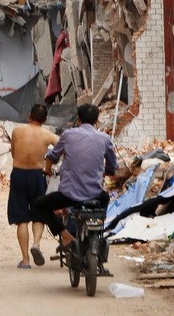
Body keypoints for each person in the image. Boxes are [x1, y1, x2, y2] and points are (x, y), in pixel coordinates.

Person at [31, 103, 117, 249]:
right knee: (105, 198)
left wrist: (48, 170)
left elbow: (52, 156)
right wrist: (107, 171)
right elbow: (112, 166)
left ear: (78, 119)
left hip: (69, 195)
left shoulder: (68, 135)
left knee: (38, 206)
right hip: (94, 194)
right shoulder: (104, 139)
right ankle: (98, 230)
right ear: (96, 121)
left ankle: (66, 237)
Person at [7, 104, 55, 269]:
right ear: (45, 119)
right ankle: (36, 244)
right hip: (37, 175)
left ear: (29, 116)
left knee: (21, 218)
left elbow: (13, 153)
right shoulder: (47, 135)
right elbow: (63, 146)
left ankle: (26, 259)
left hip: (19, 174)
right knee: (39, 213)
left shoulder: (17, 131)